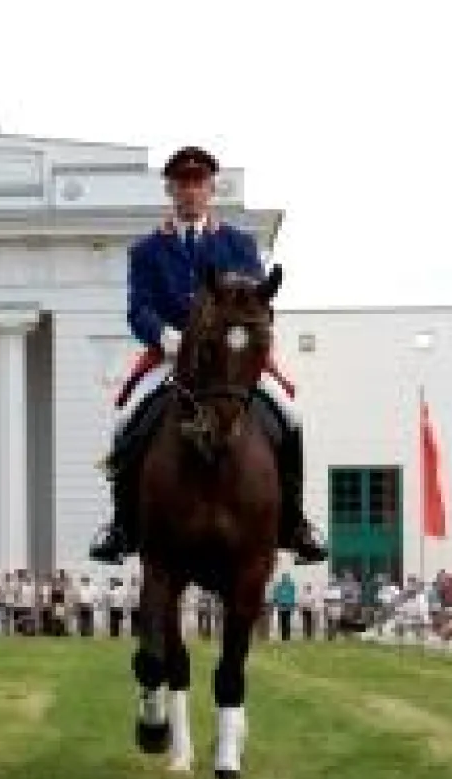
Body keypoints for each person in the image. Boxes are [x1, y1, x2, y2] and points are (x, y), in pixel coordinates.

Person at [88, 146, 328, 566]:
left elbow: (255, 299)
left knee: (291, 416)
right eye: (182, 184)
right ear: (170, 190)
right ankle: (121, 525)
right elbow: (138, 309)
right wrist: (165, 336)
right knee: (124, 421)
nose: (190, 192)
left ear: (210, 189)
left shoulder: (238, 244)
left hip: (229, 359)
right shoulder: (146, 250)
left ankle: (295, 520)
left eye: (198, 183)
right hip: (171, 355)